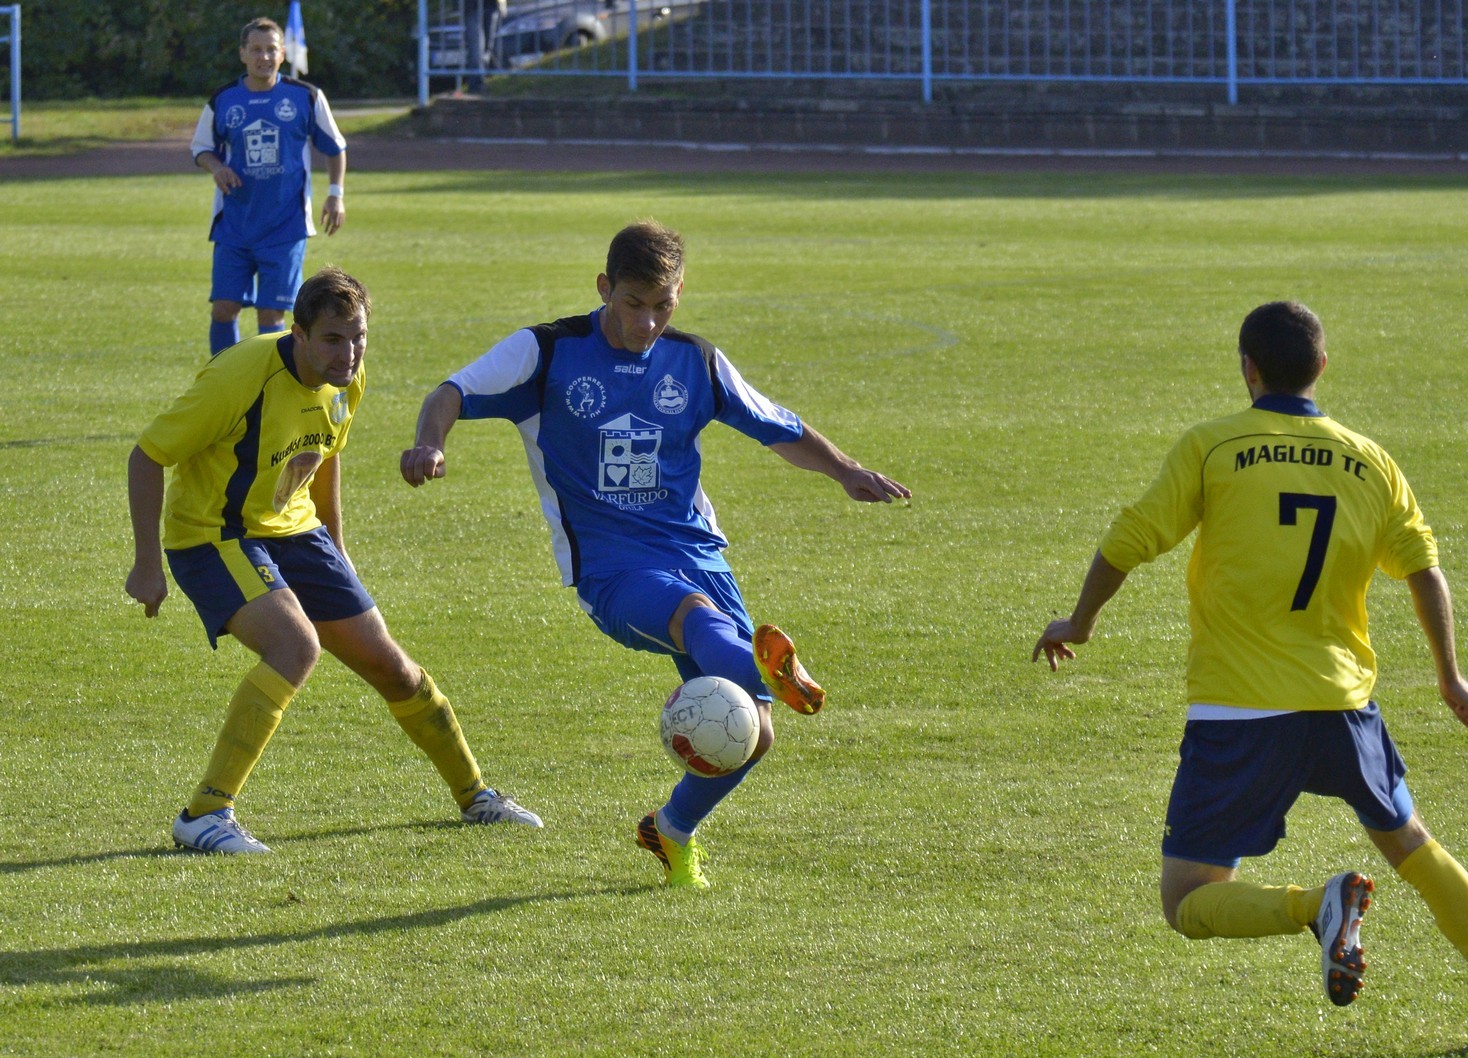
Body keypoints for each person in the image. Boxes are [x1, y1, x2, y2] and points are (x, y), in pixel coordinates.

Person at [1031, 301, 1468, 1051]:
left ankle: (1316, 907)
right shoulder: (1370, 460)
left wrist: (1079, 622)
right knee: (1414, 847)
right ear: (1322, 368)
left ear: (1248, 368)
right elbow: (1424, 569)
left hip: (1239, 709)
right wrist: (1450, 676)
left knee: (1187, 900)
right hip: (1343, 705)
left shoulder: (1214, 446)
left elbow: (1131, 536)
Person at [400, 220, 911, 889]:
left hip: (697, 551)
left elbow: (776, 425)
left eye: (662, 305)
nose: (646, 322)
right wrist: (430, 443)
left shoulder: (695, 361)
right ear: (604, 288)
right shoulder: (548, 351)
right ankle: (769, 670)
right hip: (611, 567)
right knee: (694, 614)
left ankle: (670, 829)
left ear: (679, 294)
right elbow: (451, 393)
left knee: (754, 734)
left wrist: (845, 471)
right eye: (633, 303)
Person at [126, 267, 540, 855]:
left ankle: (477, 797)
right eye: (332, 339)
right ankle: (205, 814)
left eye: (358, 337)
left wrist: (338, 550)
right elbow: (147, 455)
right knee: (295, 646)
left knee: (393, 669)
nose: (348, 353)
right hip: (215, 533)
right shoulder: (239, 377)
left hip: (298, 531)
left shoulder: (347, 376)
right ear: (297, 334)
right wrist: (147, 564)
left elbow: (324, 455)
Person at [191, 17, 347, 357]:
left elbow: (335, 147)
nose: (264, 57)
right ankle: (224, 378)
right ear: (243, 54)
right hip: (234, 223)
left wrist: (335, 195)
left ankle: (270, 380)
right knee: (224, 308)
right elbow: (201, 148)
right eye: (256, 49)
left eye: (271, 49)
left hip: (285, 226)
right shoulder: (224, 99)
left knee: (271, 315)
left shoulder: (306, 96)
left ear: (283, 53)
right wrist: (217, 167)